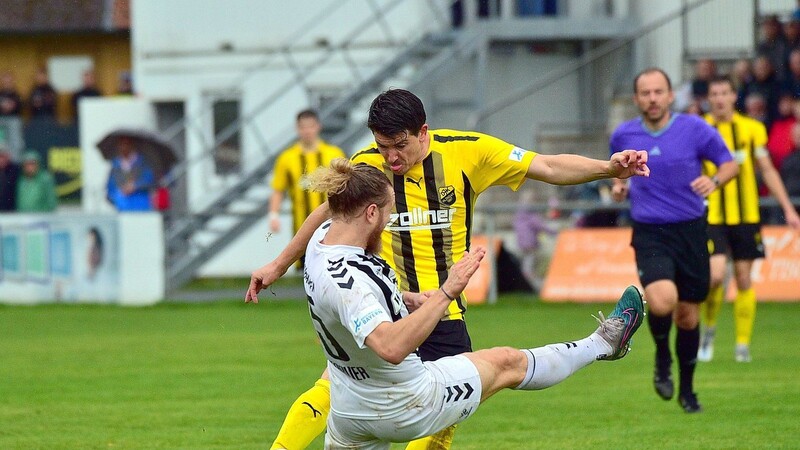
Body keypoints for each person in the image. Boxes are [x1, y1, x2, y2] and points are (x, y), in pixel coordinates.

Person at [248, 88, 650, 449]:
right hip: (387, 309)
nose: (390, 157)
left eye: (399, 145)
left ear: (423, 132)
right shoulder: (368, 165)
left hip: (442, 318)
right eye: (382, 145)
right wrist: (280, 263)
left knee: (420, 425)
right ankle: (602, 344)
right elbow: (332, 209)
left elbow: (545, 166)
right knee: (336, 388)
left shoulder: (468, 151)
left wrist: (609, 168)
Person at [299, 158, 646, 448]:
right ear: (371, 213)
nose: (390, 221)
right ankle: (602, 343)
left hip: (348, 408)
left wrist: (404, 299)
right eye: (389, 212)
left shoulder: (320, 242)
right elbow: (390, 345)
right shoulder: (350, 279)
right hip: (403, 402)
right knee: (507, 363)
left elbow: (348, 303)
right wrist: (448, 292)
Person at [610, 68, 739, 413]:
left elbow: (729, 164)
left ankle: (687, 389)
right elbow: (614, 176)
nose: (652, 98)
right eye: (645, 92)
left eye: (658, 91)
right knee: (663, 300)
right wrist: (618, 186)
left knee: (687, 316)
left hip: (691, 231)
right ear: (637, 98)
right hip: (650, 231)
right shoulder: (623, 135)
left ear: (670, 95)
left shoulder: (695, 129)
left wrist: (715, 181)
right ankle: (662, 359)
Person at [698, 76, 800, 364]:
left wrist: (788, 209)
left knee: (743, 278)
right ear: (709, 98)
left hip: (746, 215)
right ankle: (709, 331)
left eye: (724, 92)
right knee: (716, 276)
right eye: (714, 92)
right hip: (711, 215)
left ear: (733, 97)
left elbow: (767, 170)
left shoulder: (751, 129)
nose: (719, 98)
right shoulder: (700, 128)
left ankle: (742, 344)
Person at [268, 109, 345, 266]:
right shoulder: (287, 158)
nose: (307, 131)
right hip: (302, 227)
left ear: (318, 127)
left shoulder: (333, 154)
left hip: (333, 224)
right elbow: (278, 190)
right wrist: (273, 216)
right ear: (297, 129)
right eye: (303, 127)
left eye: (310, 126)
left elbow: (347, 185)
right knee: (308, 272)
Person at [106, 136, 155, 211]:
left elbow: (150, 180)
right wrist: (119, 193)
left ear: (132, 145)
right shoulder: (115, 166)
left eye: (126, 144)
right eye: (121, 144)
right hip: (123, 208)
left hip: (142, 207)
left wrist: (135, 186)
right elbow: (110, 190)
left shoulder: (143, 163)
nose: (123, 147)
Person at [0, 146, 20, 210]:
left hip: (12, 210)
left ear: (8, 157)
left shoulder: (16, 170)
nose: (1, 160)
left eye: (3, 157)